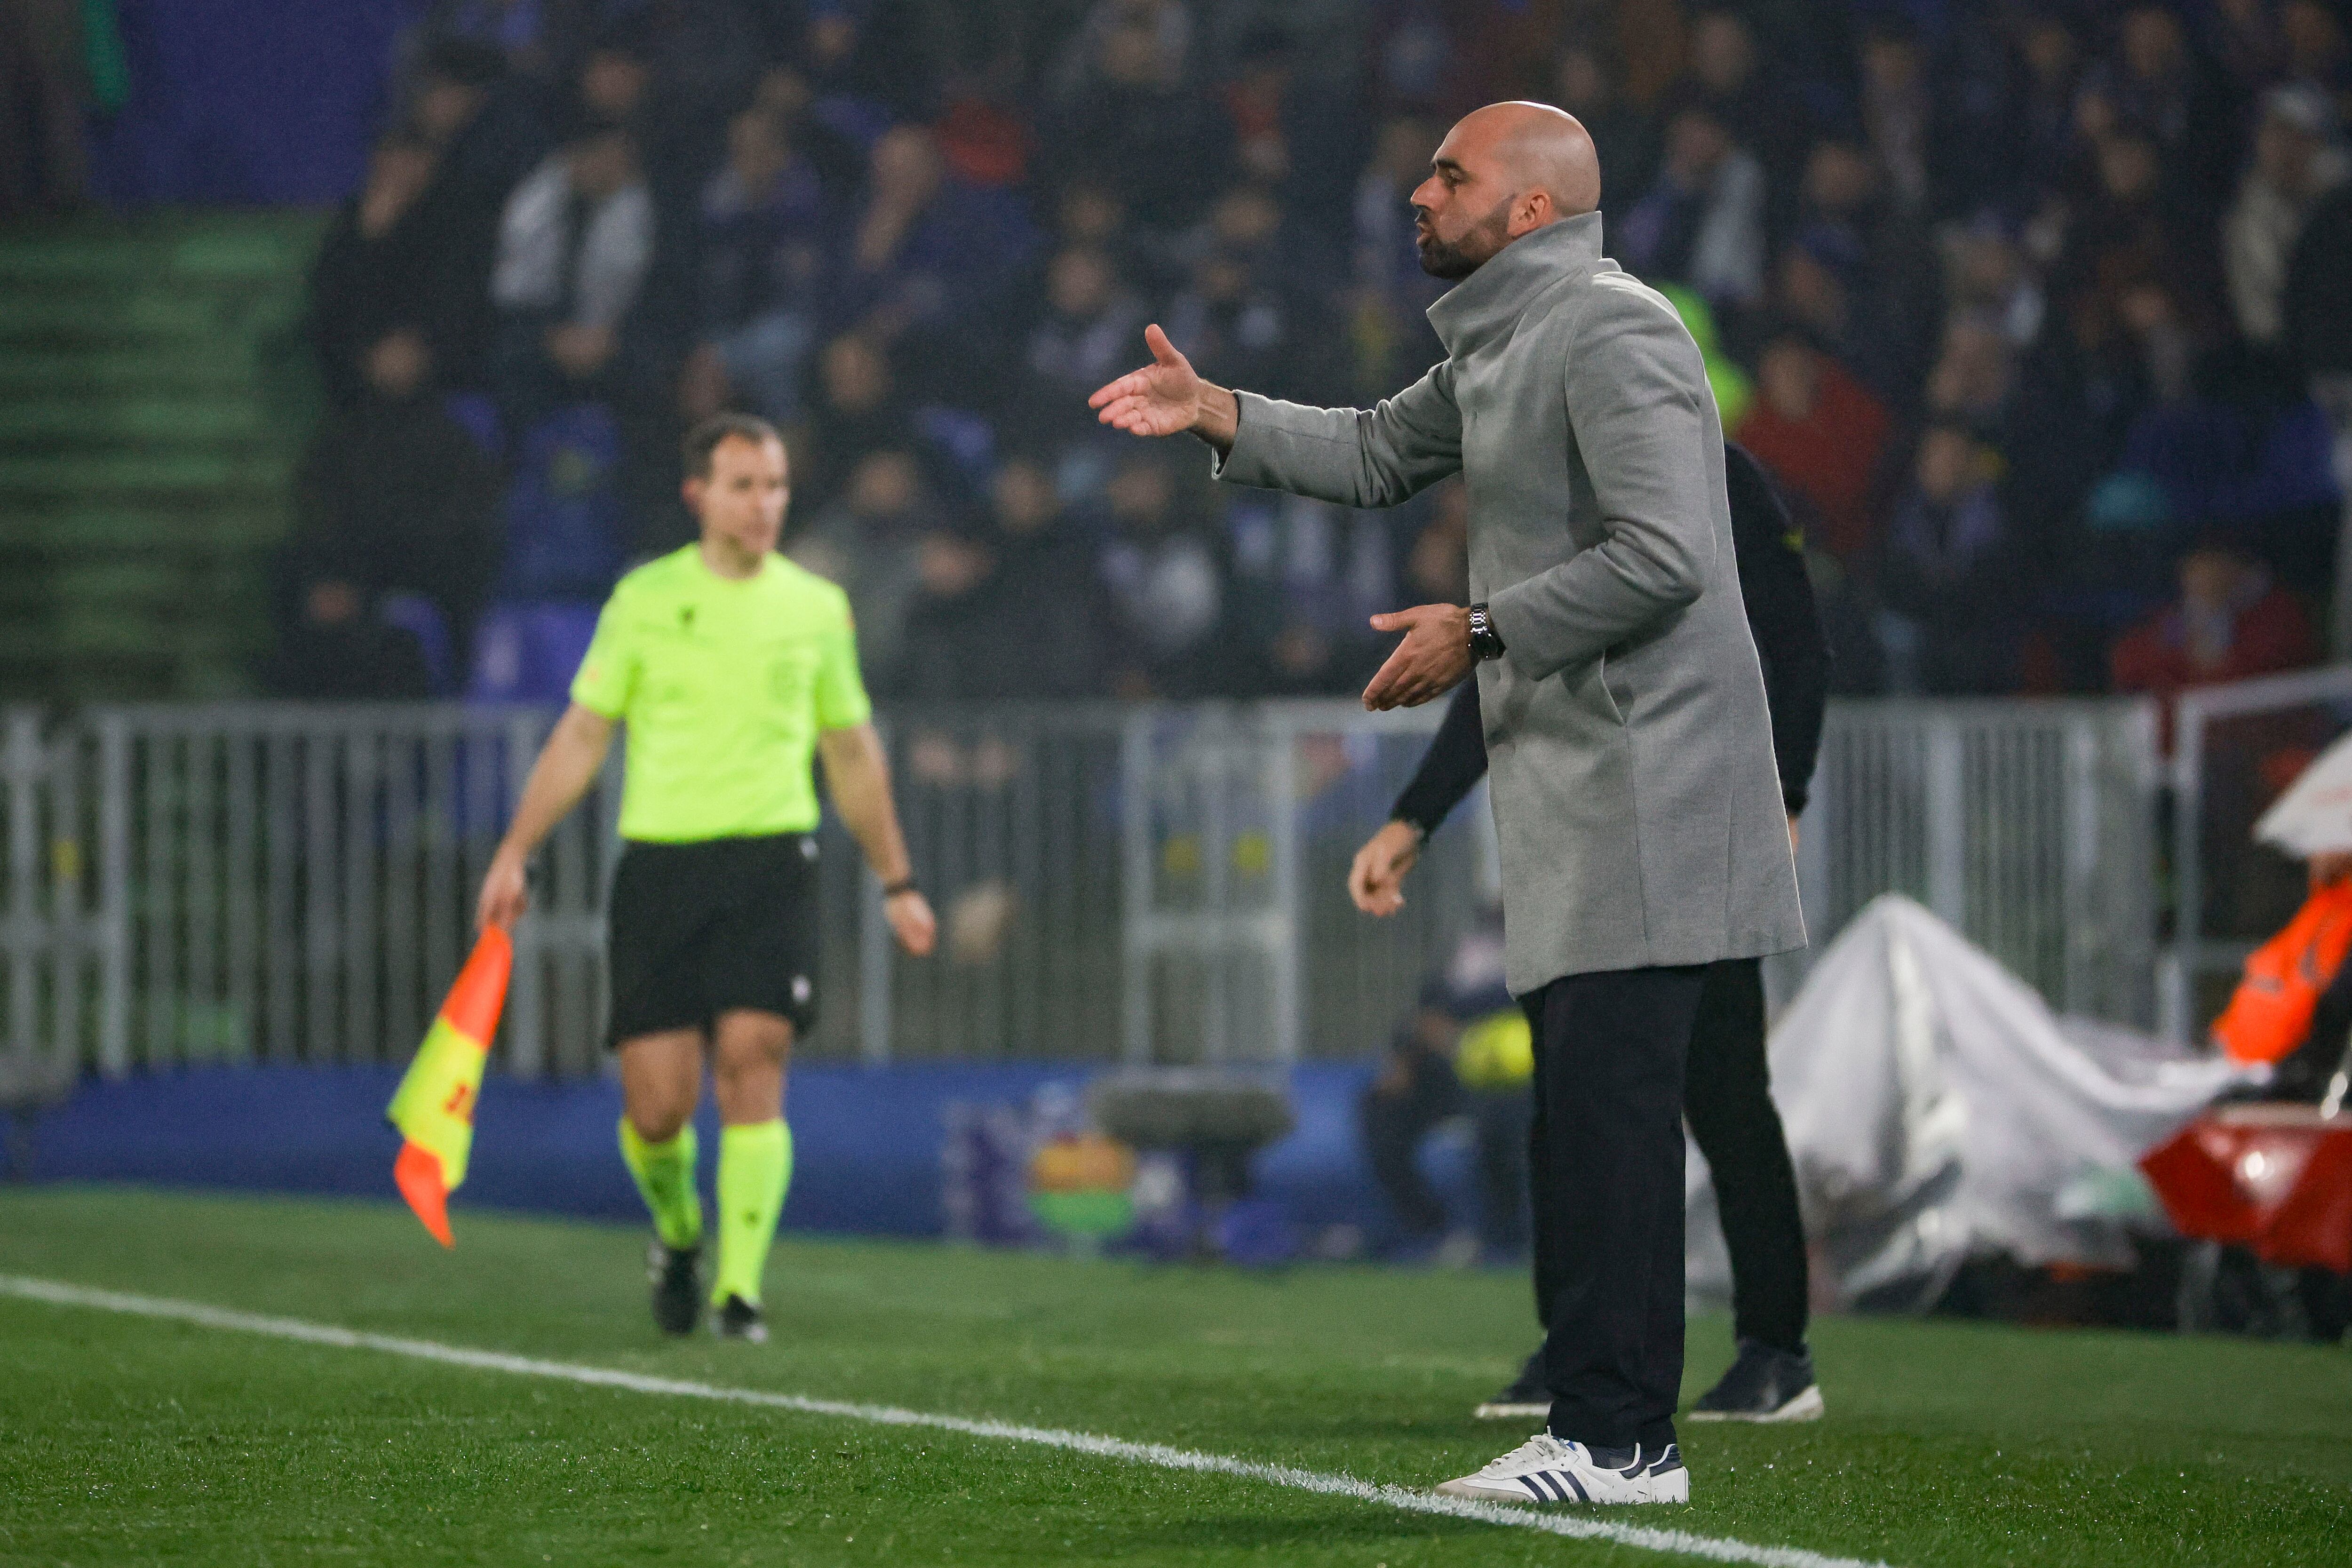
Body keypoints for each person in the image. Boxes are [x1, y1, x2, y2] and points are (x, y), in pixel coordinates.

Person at [1090, 101, 1806, 1507]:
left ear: (1531, 208)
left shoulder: (1615, 328)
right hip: (1585, 784)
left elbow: (1667, 554)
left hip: (1651, 780)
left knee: (1614, 1117)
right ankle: (1609, 1429)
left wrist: (1479, 628)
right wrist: (1219, 409)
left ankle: (1618, 1437)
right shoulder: (1503, 336)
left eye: (1451, 174)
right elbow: (1372, 452)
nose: (1420, 192)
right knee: (1587, 1118)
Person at [1353, 441, 1827, 1426]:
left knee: (1721, 1092)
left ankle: (1776, 1349)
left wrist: (1785, 787)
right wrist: (1413, 818)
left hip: (1696, 822)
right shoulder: (1540, 483)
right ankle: (1575, 1348)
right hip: (1579, 837)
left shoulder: (1706, 467)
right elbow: (1500, 674)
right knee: (1567, 1096)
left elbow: (1791, 632)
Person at [474, 414, 938, 1344]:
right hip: (661, 864)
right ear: (699, 495)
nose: (764, 504)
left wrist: (898, 880)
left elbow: (851, 751)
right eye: (743, 486)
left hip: (772, 860)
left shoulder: (816, 607)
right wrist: (515, 847)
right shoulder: (644, 598)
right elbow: (584, 731)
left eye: (775, 486)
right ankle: (681, 1230)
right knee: (657, 1108)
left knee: (754, 1057)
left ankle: (740, 1291)